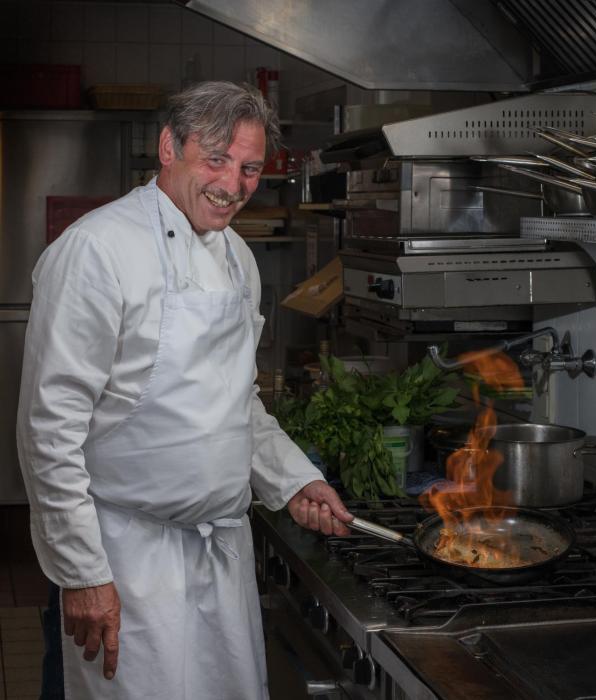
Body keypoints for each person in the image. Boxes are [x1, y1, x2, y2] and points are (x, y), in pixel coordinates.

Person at [16, 81, 353, 700]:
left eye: (250, 168)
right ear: (169, 147)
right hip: (126, 559)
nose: (233, 184)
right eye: (216, 159)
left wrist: (293, 479)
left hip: (221, 555)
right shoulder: (97, 250)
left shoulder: (238, 259)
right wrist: (82, 572)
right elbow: (49, 430)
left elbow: (236, 402)